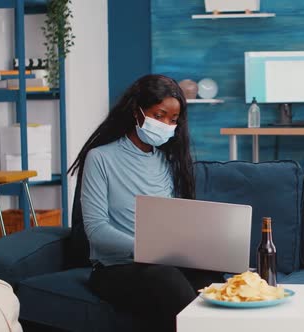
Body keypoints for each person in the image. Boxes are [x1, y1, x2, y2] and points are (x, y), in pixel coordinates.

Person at [68, 74, 223, 331]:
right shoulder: (100, 158)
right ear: (136, 111)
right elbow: (96, 231)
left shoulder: (167, 162)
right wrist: (149, 249)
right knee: (166, 278)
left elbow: (173, 225)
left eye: (173, 120)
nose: (165, 124)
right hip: (115, 268)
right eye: (158, 115)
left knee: (213, 280)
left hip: (163, 262)